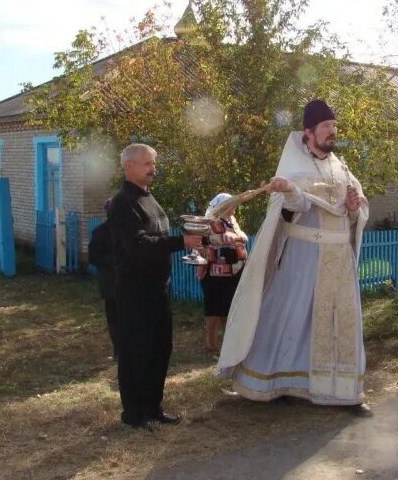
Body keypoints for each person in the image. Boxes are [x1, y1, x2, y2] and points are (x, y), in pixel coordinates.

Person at [216, 99, 371, 414]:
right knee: (290, 317)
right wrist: (289, 190)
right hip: (302, 258)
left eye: (334, 127)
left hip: (338, 262)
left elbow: (357, 207)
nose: (332, 132)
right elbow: (295, 208)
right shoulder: (293, 167)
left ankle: (344, 392)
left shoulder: (341, 167)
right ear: (308, 132)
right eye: (326, 127)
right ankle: (275, 381)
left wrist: (356, 206)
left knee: (340, 321)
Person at [108, 143, 204, 430]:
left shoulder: (150, 198)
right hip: (134, 292)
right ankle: (133, 414)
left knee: (160, 349)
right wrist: (180, 242)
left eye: (154, 163)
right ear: (129, 167)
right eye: (147, 164)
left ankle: (153, 405)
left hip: (159, 289)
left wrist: (188, 238)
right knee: (136, 351)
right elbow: (138, 245)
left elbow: (157, 237)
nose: (153, 169)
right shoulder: (123, 203)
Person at [196, 193, 249, 353]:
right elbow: (204, 243)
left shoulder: (232, 221)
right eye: (231, 205)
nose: (234, 208)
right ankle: (211, 343)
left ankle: (229, 341)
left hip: (234, 270)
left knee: (229, 306)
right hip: (215, 272)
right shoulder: (210, 221)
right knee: (213, 307)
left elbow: (240, 238)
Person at [88, 199, 118, 359]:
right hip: (111, 284)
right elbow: (94, 257)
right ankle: (118, 351)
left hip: (129, 284)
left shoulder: (128, 231)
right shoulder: (100, 232)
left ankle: (129, 350)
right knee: (114, 320)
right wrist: (115, 262)